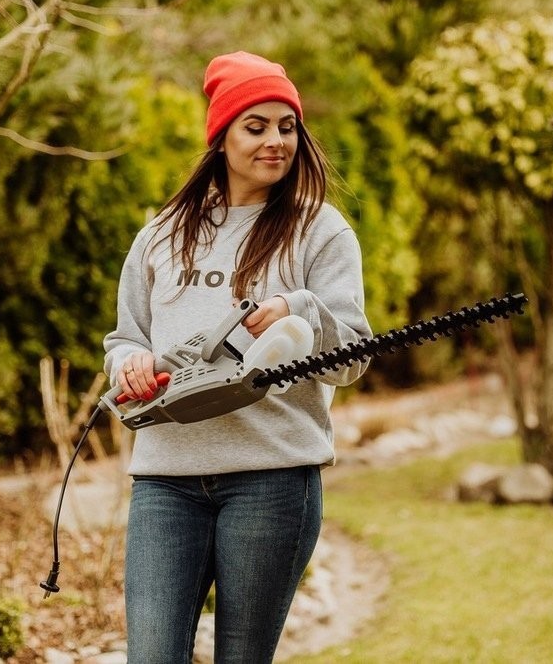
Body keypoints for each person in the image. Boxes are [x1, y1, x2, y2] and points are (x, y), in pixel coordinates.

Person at [102, 50, 371, 664]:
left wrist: (300, 311)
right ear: (221, 136)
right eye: (256, 126)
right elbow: (126, 338)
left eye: (287, 126)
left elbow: (352, 359)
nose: (276, 141)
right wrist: (129, 364)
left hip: (270, 477)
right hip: (166, 479)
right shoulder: (163, 235)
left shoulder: (320, 231)